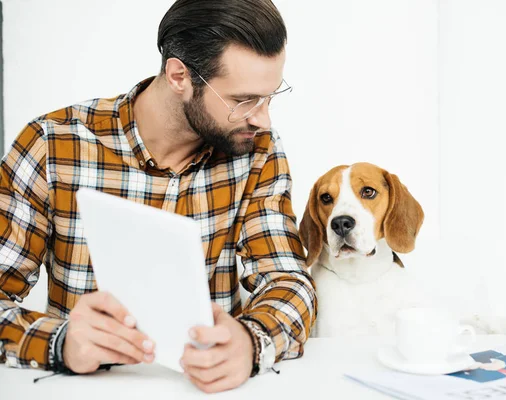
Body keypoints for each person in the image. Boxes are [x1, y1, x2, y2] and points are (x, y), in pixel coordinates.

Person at [0, 0, 317, 393]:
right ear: (180, 75)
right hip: (87, 390)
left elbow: (289, 281)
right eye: (242, 101)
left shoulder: (258, 150)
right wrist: (60, 342)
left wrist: (251, 342)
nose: (263, 118)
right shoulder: (53, 145)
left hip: (211, 391)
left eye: (270, 96)